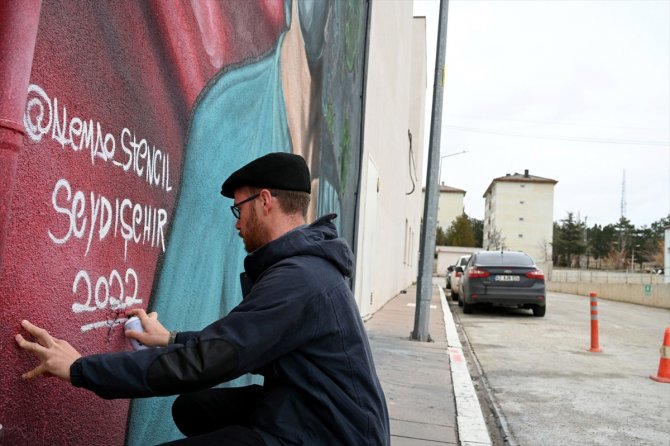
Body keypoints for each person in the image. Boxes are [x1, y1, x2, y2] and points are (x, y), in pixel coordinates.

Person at [15, 152, 390, 445]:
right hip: (311, 412)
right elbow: (239, 341)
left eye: (238, 209)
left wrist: (81, 368)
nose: (236, 223)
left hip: (327, 435)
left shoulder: (298, 279)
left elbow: (209, 361)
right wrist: (171, 338)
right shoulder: (304, 268)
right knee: (194, 408)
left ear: (264, 201)